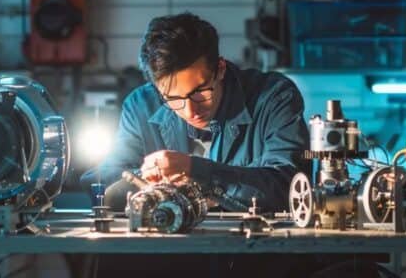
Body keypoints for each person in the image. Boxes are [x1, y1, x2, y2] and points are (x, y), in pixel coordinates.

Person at [81, 12, 308, 213]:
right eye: (173, 98)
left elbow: (289, 187)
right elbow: (104, 178)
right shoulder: (141, 105)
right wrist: (149, 184)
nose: (190, 110)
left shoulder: (273, 97)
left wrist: (197, 171)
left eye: (200, 91)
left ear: (220, 69)